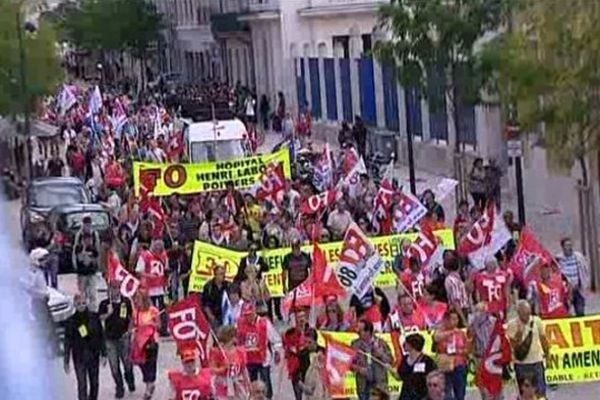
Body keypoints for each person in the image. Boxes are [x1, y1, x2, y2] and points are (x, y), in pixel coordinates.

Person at [63, 294, 106, 400]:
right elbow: (67, 341)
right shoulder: (70, 321)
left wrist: (104, 353)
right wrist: (66, 360)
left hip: (93, 355)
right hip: (79, 357)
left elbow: (101, 336)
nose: (81, 306)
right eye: (78, 304)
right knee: (82, 384)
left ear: (86, 303)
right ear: (75, 305)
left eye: (83, 303)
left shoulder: (94, 317)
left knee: (94, 383)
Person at [236, 302, 282, 399]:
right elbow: (237, 341)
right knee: (250, 384)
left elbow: (275, 339)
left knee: (266, 383)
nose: (247, 317)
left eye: (249, 314)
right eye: (245, 315)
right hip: (248, 359)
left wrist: (277, 351)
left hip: (263, 359)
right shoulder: (240, 323)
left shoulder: (264, 323)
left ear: (254, 312)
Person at [99, 281, 135, 398]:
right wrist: (108, 314)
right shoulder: (104, 304)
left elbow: (131, 317)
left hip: (123, 337)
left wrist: (129, 330)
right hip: (110, 339)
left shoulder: (126, 301)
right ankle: (119, 387)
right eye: (112, 288)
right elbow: (99, 319)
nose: (114, 291)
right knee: (114, 365)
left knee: (127, 362)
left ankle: (130, 379)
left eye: (116, 288)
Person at [507, 300, 550, 395]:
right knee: (524, 394)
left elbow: (543, 340)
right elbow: (512, 347)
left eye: (528, 313)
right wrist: (519, 335)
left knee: (540, 392)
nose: (526, 317)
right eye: (523, 314)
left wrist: (547, 355)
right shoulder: (512, 325)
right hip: (521, 364)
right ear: (518, 313)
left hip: (536, 362)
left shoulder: (537, 321)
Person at [351, 319, 393, 400]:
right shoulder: (355, 344)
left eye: (360, 330)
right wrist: (359, 369)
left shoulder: (381, 343)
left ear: (368, 332)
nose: (358, 332)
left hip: (379, 383)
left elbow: (390, 360)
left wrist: (381, 355)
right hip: (363, 383)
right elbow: (350, 363)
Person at [136, 239, 169, 336]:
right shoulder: (145, 256)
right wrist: (149, 276)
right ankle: (151, 328)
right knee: (151, 309)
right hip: (149, 288)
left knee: (163, 309)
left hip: (161, 288)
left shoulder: (164, 256)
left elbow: (165, 270)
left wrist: (166, 282)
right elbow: (138, 271)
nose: (159, 251)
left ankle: (163, 328)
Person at [131, 289, 160, 400]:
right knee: (141, 364)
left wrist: (152, 323)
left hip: (151, 341)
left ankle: (149, 386)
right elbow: (133, 325)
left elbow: (159, 326)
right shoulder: (135, 312)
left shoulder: (153, 311)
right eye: (135, 299)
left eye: (138, 298)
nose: (136, 301)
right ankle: (149, 382)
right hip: (139, 343)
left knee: (150, 364)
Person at [433, 309, 468, 400]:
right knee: (447, 394)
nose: (455, 321)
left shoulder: (461, 333)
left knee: (460, 394)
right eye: (452, 319)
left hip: (459, 365)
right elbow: (436, 338)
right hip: (445, 365)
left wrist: (460, 351)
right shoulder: (441, 332)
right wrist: (450, 332)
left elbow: (467, 348)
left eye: (456, 319)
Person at [209, 325, 250, 399]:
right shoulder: (217, 352)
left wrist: (248, 384)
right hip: (223, 384)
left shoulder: (240, 351)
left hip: (237, 384)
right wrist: (223, 368)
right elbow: (212, 370)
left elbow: (244, 370)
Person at [555, 237, 589, 316]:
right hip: (566, 290)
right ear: (562, 247)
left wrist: (584, 284)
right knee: (565, 312)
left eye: (570, 245)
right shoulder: (559, 259)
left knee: (580, 311)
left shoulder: (578, 257)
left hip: (578, 289)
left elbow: (585, 270)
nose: (569, 248)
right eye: (567, 245)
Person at [397, 333, 437, 400]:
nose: (404, 345)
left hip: (422, 395)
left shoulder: (427, 361)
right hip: (406, 395)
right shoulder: (404, 359)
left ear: (412, 345)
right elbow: (400, 375)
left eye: (406, 343)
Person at [297, 329, 331, 400]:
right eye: (305, 342)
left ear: (315, 341)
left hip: (322, 390)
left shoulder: (325, 352)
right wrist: (302, 385)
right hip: (308, 390)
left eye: (309, 342)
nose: (307, 345)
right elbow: (300, 372)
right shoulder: (302, 354)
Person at [73, 232, 101, 312]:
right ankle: (82, 309)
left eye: (90, 239)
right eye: (86, 239)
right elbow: (80, 259)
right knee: (82, 293)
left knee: (92, 293)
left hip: (91, 273)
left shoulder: (93, 248)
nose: (88, 241)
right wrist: (84, 251)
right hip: (82, 274)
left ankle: (93, 310)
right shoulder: (78, 248)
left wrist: (90, 259)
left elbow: (95, 260)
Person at [202, 264, 230, 329]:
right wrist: (211, 317)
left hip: (225, 316)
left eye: (224, 274)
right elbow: (205, 305)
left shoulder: (228, 285)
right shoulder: (208, 287)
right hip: (212, 316)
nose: (223, 276)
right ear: (215, 275)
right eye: (221, 274)